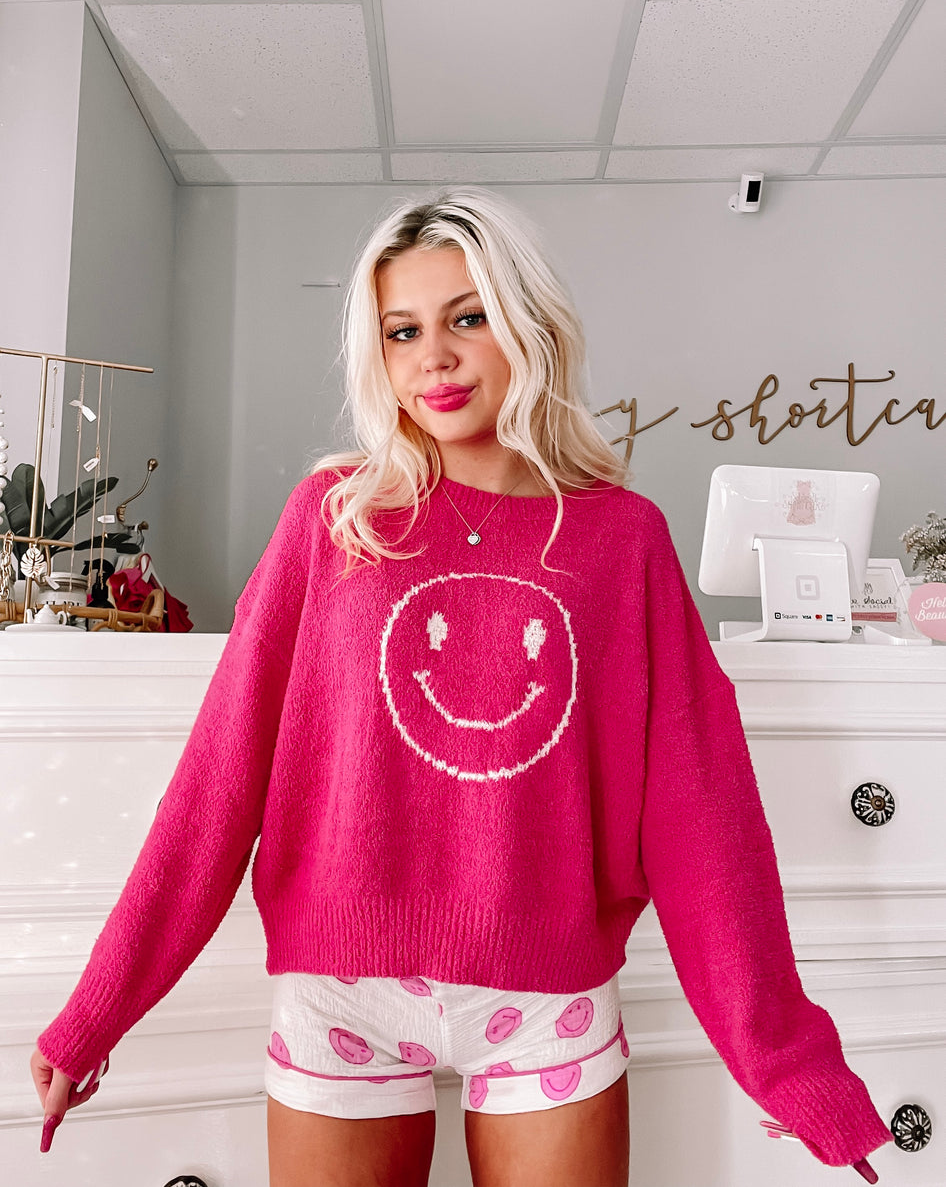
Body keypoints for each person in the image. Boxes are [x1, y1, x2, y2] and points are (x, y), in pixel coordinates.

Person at [32, 188, 892, 1186]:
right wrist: (96, 1011)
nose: (433, 357)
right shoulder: (334, 520)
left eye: (467, 317)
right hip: (340, 996)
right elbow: (218, 778)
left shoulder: (621, 539)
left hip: (548, 1000)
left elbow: (703, 816)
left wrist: (787, 1064)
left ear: (526, 324)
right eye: (403, 331)